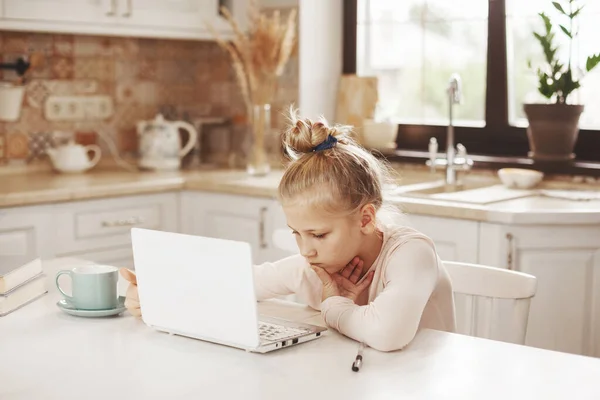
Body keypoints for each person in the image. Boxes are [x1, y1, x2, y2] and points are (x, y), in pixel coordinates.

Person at [120, 109, 456, 352]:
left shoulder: (411, 254)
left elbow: (387, 334)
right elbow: (236, 283)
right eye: (297, 233)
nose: (305, 250)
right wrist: (157, 293)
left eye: (318, 234)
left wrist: (334, 306)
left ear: (366, 219)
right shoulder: (316, 264)